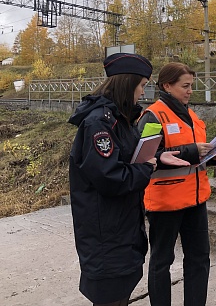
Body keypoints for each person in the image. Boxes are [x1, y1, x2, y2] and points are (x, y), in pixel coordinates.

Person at [68, 53, 189, 306]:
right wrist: (147, 168)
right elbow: (111, 178)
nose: (143, 93)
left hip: (121, 229)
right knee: (111, 297)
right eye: (142, 85)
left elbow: (130, 157)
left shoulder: (120, 120)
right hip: (107, 234)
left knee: (120, 293)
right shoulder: (99, 125)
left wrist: (159, 157)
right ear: (127, 83)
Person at [137, 62, 216, 306]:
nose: (190, 91)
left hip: (195, 200)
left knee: (199, 259)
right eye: (185, 86)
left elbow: (197, 158)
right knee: (161, 262)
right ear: (167, 86)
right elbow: (145, 157)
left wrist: (213, 155)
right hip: (165, 203)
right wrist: (191, 151)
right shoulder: (153, 115)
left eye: (191, 86)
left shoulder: (192, 116)